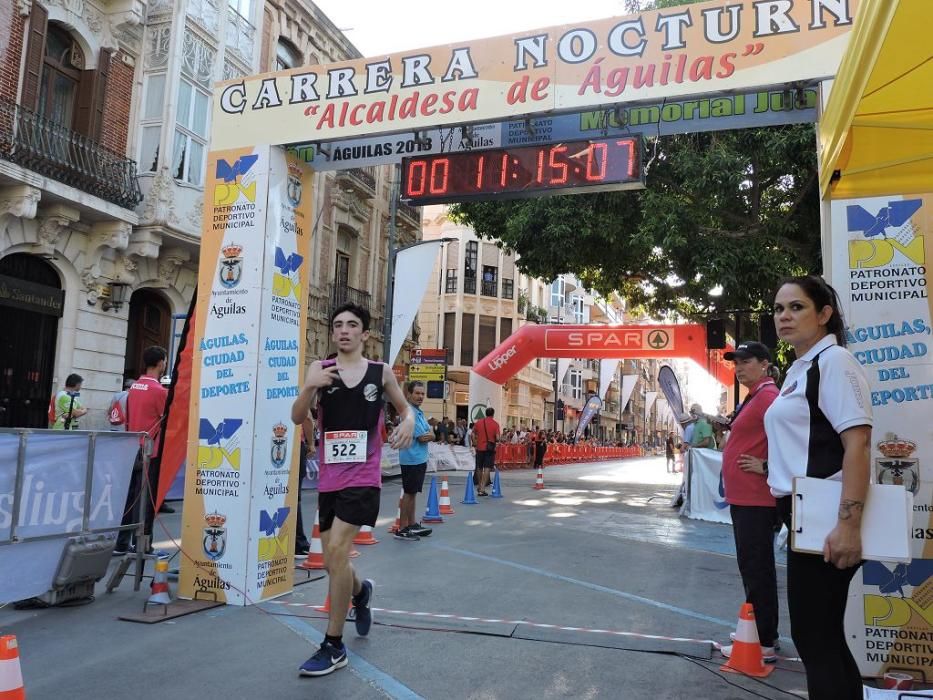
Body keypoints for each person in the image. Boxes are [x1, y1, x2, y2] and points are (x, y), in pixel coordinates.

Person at [290, 303, 413, 678]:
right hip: (330, 479)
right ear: (333, 333)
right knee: (332, 562)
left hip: (363, 478)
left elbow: (405, 410)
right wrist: (310, 385)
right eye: (338, 325)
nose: (344, 330)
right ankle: (360, 593)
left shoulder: (381, 372)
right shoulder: (320, 370)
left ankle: (333, 644)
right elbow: (297, 417)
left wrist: (406, 423)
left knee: (340, 551)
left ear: (365, 334)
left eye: (352, 325)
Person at [764, 276, 872, 699]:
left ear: (824, 314)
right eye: (778, 309)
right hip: (801, 515)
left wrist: (849, 525)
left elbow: (858, 442)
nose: (784, 317)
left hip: (827, 516)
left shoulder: (835, 362)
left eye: (796, 307)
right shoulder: (800, 368)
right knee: (820, 638)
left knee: (815, 638)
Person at [717, 341, 780, 663]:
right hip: (746, 497)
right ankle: (759, 631)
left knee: (757, 569)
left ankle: (764, 641)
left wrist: (767, 466)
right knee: (752, 567)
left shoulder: (769, 397)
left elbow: (795, 439)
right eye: (735, 362)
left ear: (765, 364)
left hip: (757, 498)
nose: (738, 367)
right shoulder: (756, 397)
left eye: (746, 361)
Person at [114, 346, 169, 555]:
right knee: (146, 498)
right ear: (161, 363)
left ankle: (121, 543)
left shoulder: (134, 387)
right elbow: (166, 420)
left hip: (132, 447)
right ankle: (143, 545)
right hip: (149, 450)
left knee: (129, 497)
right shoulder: (159, 391)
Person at [395, 380, 435, 541]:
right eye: (417, 393)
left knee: (412, 493)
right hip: (411, 458)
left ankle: (411, 524)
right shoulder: (409, 413)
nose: (420, 396)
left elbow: (430, 432)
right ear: (409, 394)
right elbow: (424, 436)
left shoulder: (418, 412)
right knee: (409, 493)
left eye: (422, 393)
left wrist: (431, 434)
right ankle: (403, 528)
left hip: (418, 458)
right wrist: (431, 434)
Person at [471, 407, 500, 496]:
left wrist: (475, 442)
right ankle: (482, 488)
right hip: (489, 449)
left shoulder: (479, 422)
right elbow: (498, 438)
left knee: (479, 467)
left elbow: (472, 433)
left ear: (485, 413)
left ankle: (479, 485)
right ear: (493, 414)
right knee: (487, 468)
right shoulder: (495, 424)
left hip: (479, 448)